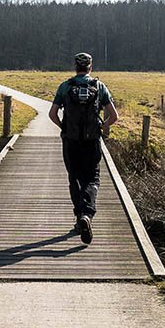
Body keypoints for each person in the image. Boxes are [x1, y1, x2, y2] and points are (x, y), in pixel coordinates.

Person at [48, 52, 119, 244]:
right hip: (91, 141)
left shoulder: (65, 86)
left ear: (75, 67)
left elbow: (52, 114)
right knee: (92, 178)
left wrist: (64, 127)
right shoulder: (99, 86)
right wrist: (102, 127)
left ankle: (79, 217)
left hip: (70, 141)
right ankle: (87, 215)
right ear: (90, 66)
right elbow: (114, 117)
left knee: (74, 178)